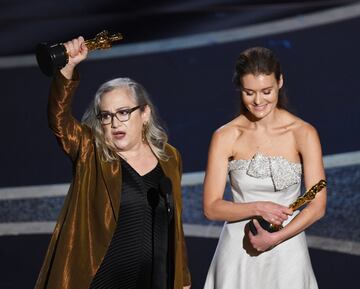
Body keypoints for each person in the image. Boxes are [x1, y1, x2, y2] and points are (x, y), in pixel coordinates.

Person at [35, 36, 191, 289]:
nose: (115, 123)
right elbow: (59, 121)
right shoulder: (91, 152)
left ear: (145, 114)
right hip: (101, 281)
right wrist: (67, 68)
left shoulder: (170, 157)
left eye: (123, 112)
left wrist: (181, 278)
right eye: (106, 116)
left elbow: (174, 223)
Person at [203, 47, 326, 289]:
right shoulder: (226, 136)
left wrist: (275, 238)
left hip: (287, 252)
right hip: (238, 253)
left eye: (266, 91)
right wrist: (259, 207)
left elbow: (318, 205)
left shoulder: (304, 133)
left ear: (280, 82)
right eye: (249, 92)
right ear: (240, 88)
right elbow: (211, 207)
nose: (258, 101)